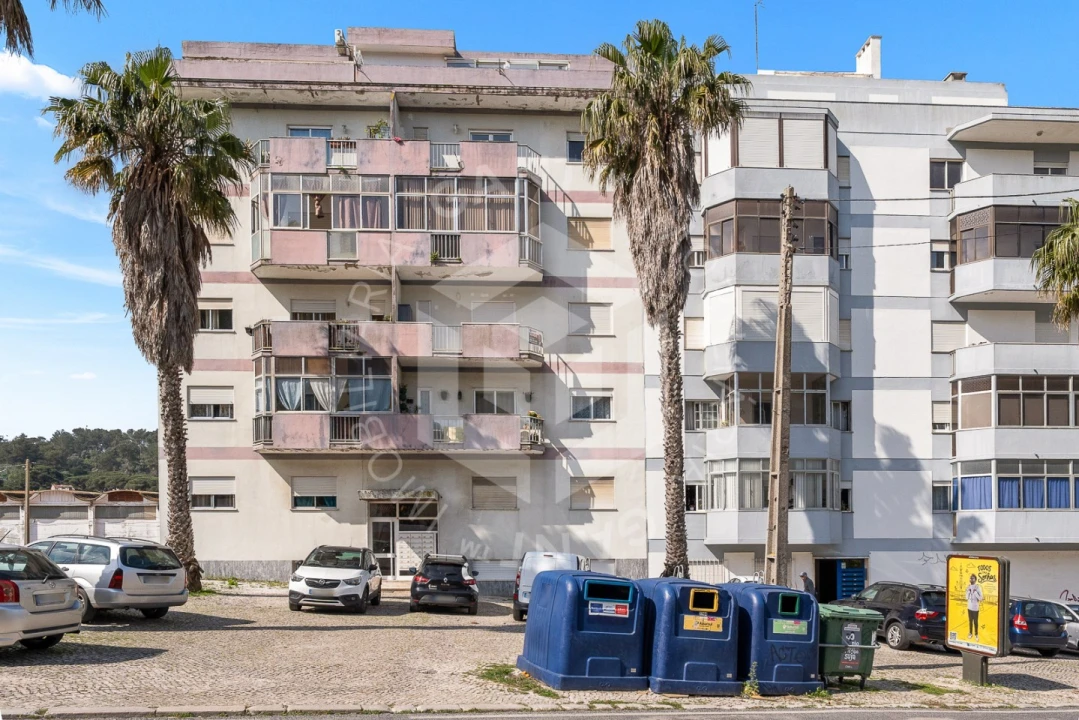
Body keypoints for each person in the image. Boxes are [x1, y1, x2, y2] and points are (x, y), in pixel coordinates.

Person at [966, 574, 983, 641]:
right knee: (970, 621)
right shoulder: (968, 587)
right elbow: (966, 598)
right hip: (969, 607)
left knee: (975, 622)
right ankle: (970, 633)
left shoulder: (978, 587)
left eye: (972, 578)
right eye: (970, 578)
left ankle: (976, 634)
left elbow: (981, 598)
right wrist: (969, 592)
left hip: (975, 608)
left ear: (975, 580)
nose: (971, 579)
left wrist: (975, 593)